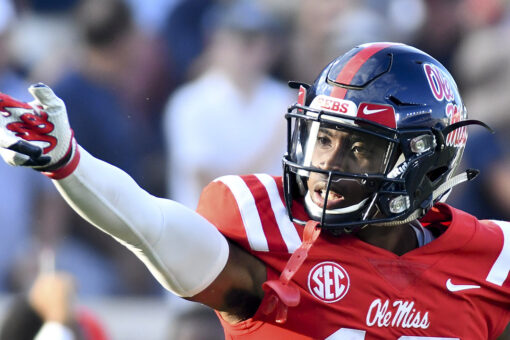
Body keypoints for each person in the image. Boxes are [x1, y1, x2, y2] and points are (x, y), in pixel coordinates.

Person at [0, 42, 508, 339]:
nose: (324, 165)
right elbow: (150, 226)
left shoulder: (490, 264)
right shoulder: (276, 243)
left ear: (425, 163)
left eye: (359, 149)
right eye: (323, 137)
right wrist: (70, 163)